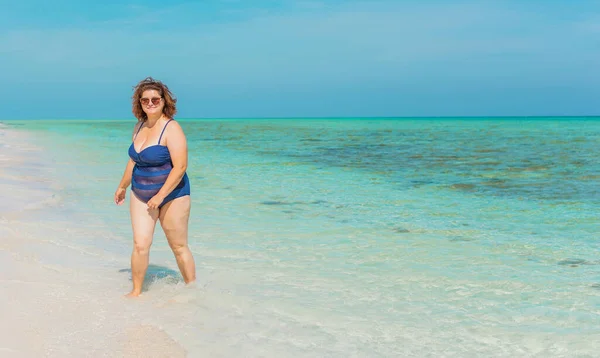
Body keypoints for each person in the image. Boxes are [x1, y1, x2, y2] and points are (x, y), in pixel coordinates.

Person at [114, 77, 196, 297]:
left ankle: (193, 291)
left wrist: (160, 196)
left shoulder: (172, 128)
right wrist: (122, 186)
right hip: (140, 193)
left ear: (164, 101)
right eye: (145, 100)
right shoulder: (139, 126)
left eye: (155, 99)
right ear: (139, 103)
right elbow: (134, 160)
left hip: (172, 195)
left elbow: (180, 167)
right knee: (140, 244)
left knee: (178, 246)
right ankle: (136, 292)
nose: (150, 103)